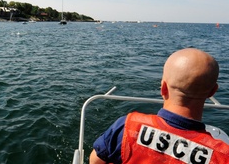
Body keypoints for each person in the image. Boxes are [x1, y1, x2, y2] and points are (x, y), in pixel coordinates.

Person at [89, 48, 229, 164]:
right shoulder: (222, 156)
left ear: (163, 88)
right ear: (212, 91)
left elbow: (95, 161)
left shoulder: (127, 127)